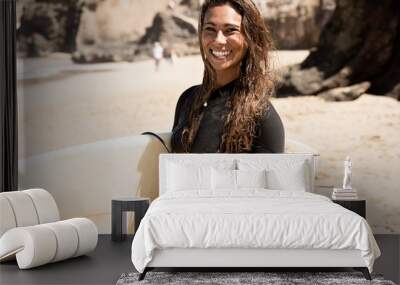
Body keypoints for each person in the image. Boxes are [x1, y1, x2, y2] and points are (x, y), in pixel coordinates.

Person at [171, 0, 284, 153]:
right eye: (210, 29)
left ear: (249, 38)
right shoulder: (188, 99)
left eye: (230, 30)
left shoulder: (261, 114)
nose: (218, 40)